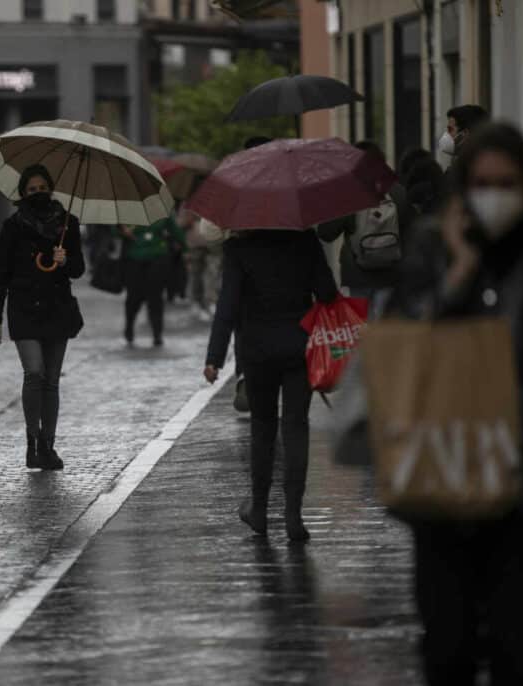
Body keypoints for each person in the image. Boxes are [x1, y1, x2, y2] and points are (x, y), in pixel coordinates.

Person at [390, 122, 523, 686]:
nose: (494, 197)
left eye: (507, 184)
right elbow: (404, 347)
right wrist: (460, 273)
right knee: (447, 645)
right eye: (483, 184)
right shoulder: (431, 246)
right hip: (444, 471)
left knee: (517, 644)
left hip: (518, 484)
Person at [204, 229, 337, 541]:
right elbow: (328, 293)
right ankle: (293, 516)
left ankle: (260, 510)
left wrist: (214, 358)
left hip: (256, 350)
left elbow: (227, 305)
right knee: (296, 426)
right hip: (299, 347)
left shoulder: (238, 247)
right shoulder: (306, 240)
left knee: (262, 427)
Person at [0, 164, 85, 471]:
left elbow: (78, 269)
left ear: (51, 189)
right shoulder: (13, 227)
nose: (38, 193)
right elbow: (0, 274)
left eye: (43, 188)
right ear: (23, 193)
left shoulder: (68, 224)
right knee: (34, 372)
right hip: (24, 309)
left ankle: (48, 446)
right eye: (32, 189)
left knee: (51, 381)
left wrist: (65, 260)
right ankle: (32, 442)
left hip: (57, 309)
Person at [318, 140, 412, 314]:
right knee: (385, 325)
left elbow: (326, 233)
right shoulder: (398, 192)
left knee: (361, 325)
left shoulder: (347, 195)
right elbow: (412, 231)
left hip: (357, 276)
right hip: (391, 275)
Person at [120, 214, 186, 347]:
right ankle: (129, 327)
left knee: (155, 297)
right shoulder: (127, 210)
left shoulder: (163, 211)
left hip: (157, 259)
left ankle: (157, 332)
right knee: (133, 297)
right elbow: (114, 229)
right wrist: (122, 231)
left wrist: (184, 248)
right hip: (134, 259)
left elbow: (176, 232)